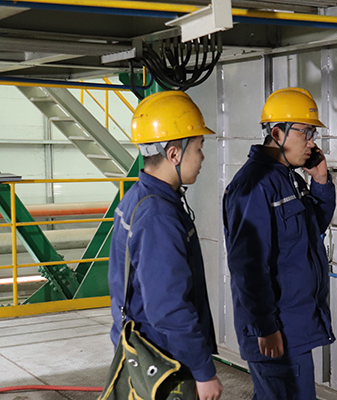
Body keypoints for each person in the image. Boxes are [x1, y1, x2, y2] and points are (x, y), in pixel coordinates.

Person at [108, 90, 223, 400]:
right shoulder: (158, 214)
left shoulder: (138, 197)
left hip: (146, 351)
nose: (202, 157)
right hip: (166, 361)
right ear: (174, 154)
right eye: (199, 147)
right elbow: (169, 307)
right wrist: (203, 371)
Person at [222, 87, 336, 399]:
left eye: (312, 133)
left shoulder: (288, 178)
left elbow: (310, 231)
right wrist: (266, 327)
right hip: (276, 331)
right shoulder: (253, 186)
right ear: (277, 133)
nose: (311, 142)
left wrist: (321, 181)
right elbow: (248, 267)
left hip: (292, 327)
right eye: (305, 132)